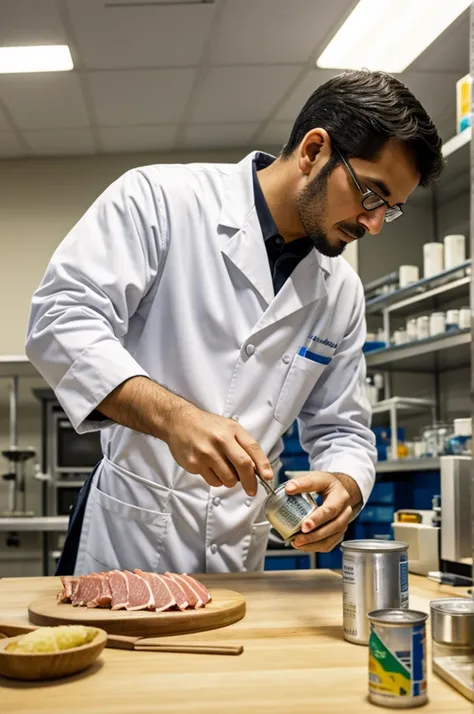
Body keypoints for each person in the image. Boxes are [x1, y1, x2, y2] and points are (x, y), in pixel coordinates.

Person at [26, 70, 443, 576]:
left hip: (238, 550)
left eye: (391, 210)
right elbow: (60, 320)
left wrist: (346, 484)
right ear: (314, 151)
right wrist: (176, 419)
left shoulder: (341, 290)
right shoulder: (160, 199)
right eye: (372, 195)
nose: (374, 224)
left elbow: (343, 427)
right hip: (128, 541)